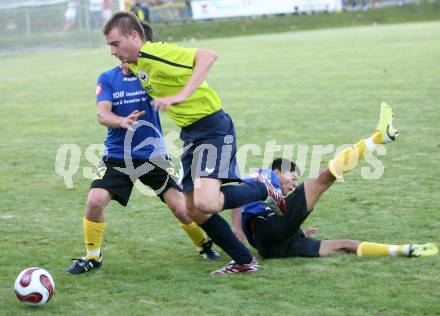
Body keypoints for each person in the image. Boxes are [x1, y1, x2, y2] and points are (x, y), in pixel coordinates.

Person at [102, 12, 286, 275]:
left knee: (208, 203)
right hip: (190, 135)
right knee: (193, 210)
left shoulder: (154, 52)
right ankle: (244, 261)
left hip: (212, 128)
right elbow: (131, 73)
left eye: (116, 44)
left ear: (134, 36)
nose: (112, 51)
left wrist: (182, 94)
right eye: (110, 46)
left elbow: (208, 55)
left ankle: (261, 186)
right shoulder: (135, 64)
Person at [66, 22, 221, 275]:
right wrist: (121, 121)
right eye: (115, 49)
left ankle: (203, 244)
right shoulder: (107, 78)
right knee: (95, 201)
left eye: (118, 47)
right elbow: (102, 114)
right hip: (117, 154)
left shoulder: (150, 74)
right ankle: (92, 256)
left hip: (154, 154)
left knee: (181, 208)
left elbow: (185, 72)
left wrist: (181, 96)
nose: (118, 55)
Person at [231, 104, 438, 259]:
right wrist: (237, 228)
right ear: (278, 171)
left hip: (271, 249)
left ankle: (406, 250)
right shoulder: (265, 175)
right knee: (324, 179)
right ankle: (378, 138)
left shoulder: (274, 198)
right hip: (267, 231)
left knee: (344, 245)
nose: (294, 185)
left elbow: (269, 217)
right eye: (292, 178)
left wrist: (296, 230)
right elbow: (240, 191)